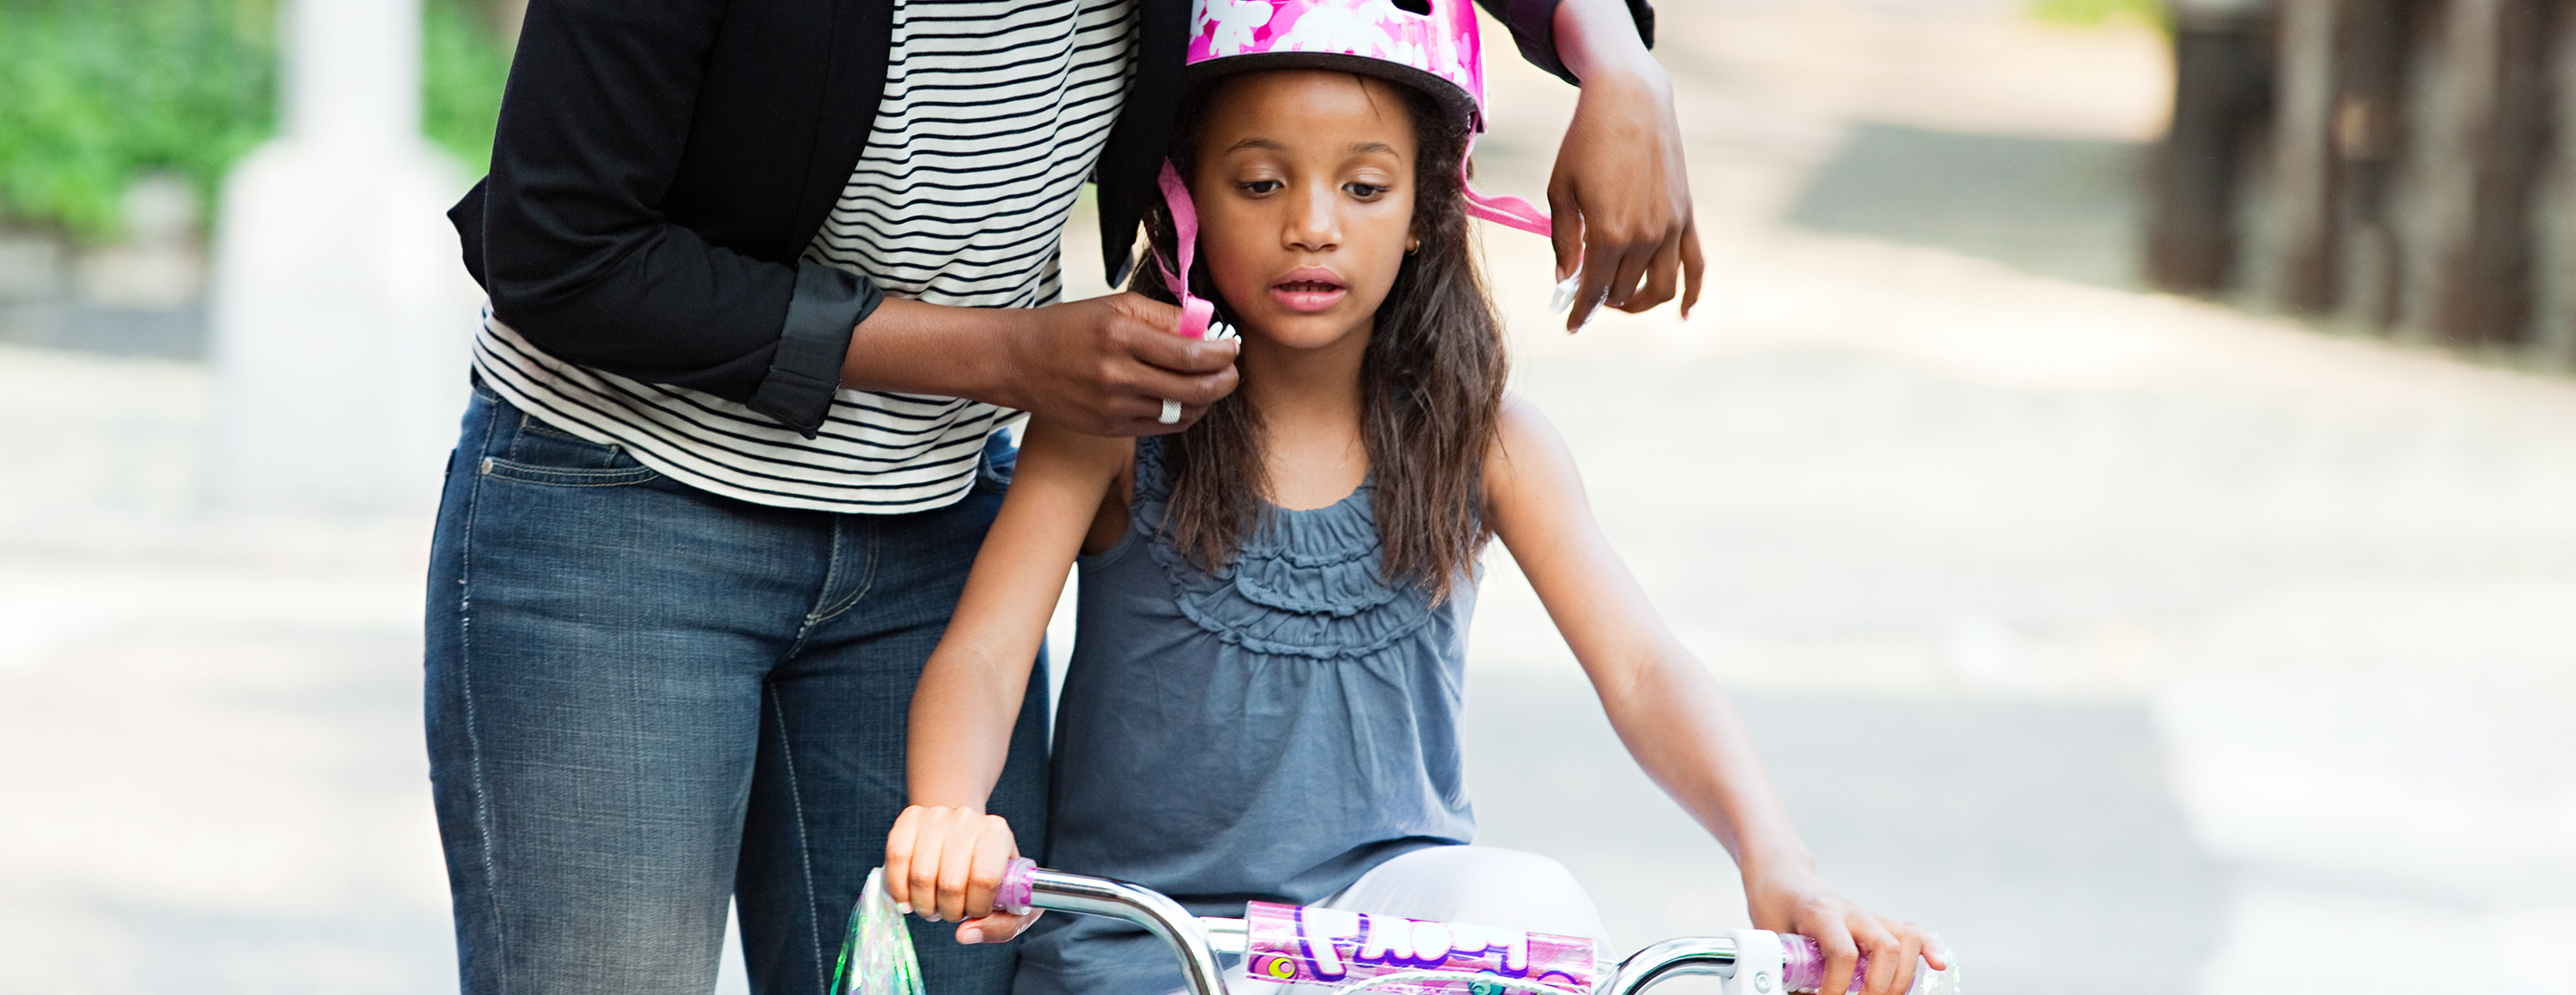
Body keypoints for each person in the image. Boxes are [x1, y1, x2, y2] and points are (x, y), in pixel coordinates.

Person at [427, 0, 1694, 993]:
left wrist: (1615, 57)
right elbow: (560, 243)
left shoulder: (1487, 439)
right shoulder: (1089, 441)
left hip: (924, 520)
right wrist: (1010, 356)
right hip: (625, 506)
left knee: (945, 951)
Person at [877, 6, 1942, 995]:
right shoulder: (1116, 417)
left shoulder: (1485, 440)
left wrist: (1777, 860)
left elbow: (1642, 665)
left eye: (1364, 187)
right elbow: (986, 648)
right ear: (1185, 197)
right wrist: (952, 811)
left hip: (1386, 937)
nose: (1312, 226)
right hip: (1153, 941)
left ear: (1427, 211)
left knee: (1533, 912)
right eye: (1259, 184)